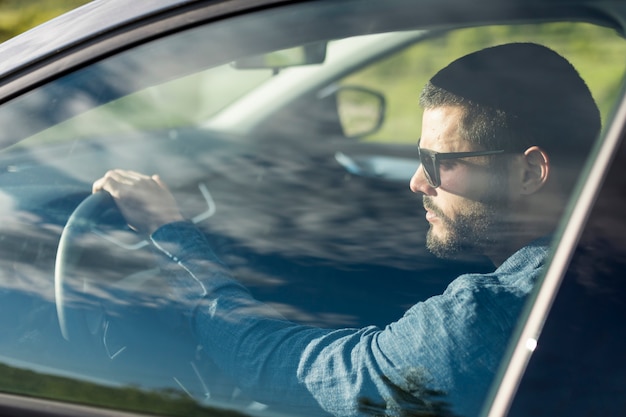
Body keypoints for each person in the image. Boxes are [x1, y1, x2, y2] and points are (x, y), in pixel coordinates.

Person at [93, 43, 600, 417]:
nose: (416, 181)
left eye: (437, 162)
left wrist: (170, 231)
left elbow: (279, 366)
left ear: (531, 172)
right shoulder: (598, 264)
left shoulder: (492, 320)